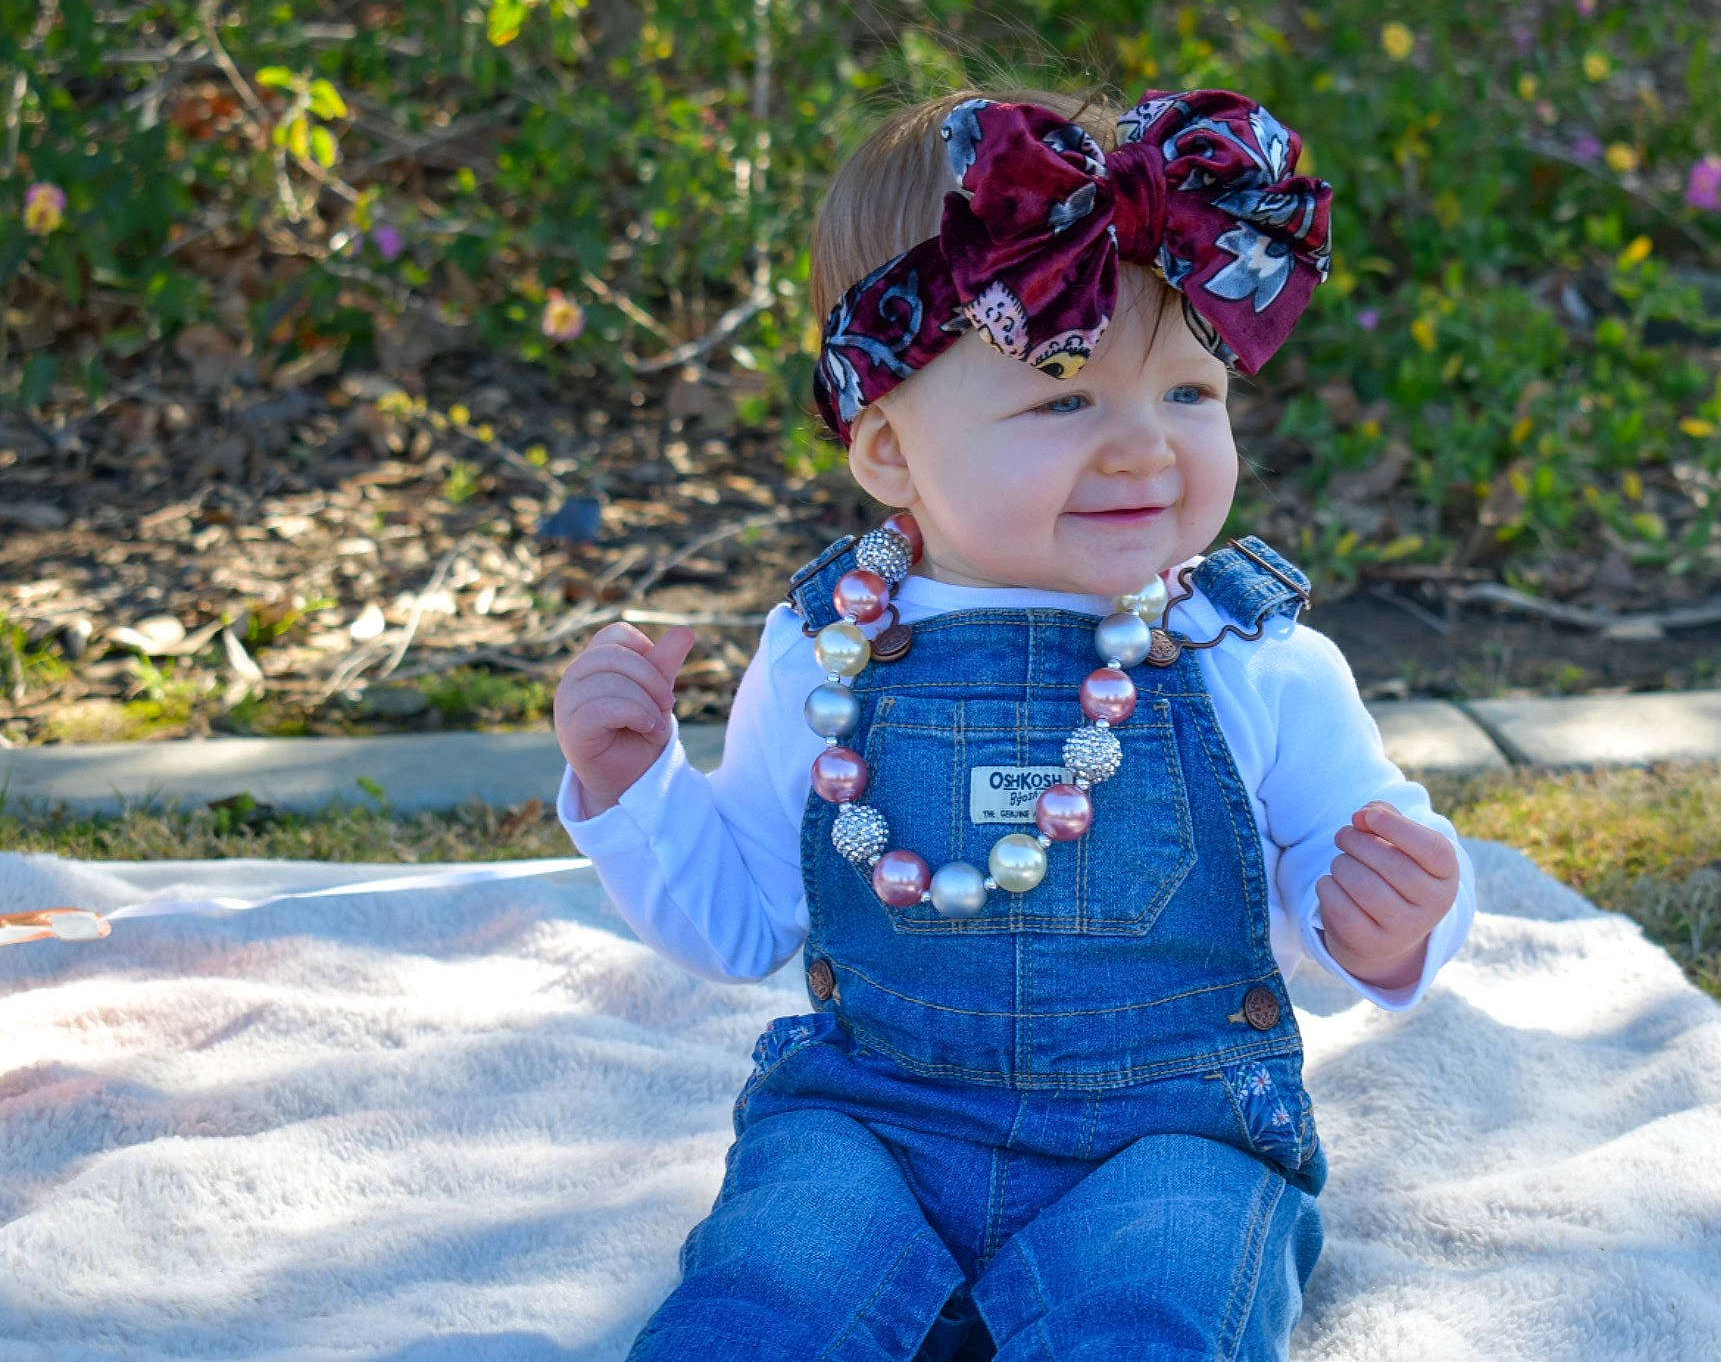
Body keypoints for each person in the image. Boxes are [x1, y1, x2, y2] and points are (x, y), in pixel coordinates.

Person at [552, 84, 1478, 1361]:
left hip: (1172, 1131)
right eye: (1062, 400)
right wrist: (633, 784)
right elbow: (745, 921)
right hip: (869, 1119)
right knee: (759, 1300)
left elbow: (1347, 866)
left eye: (1190, 394)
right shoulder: (825, 647)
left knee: (1156, 1309)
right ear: (884, 446)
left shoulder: (1249, 655)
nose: (1143, 449)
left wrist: (1389, 918)